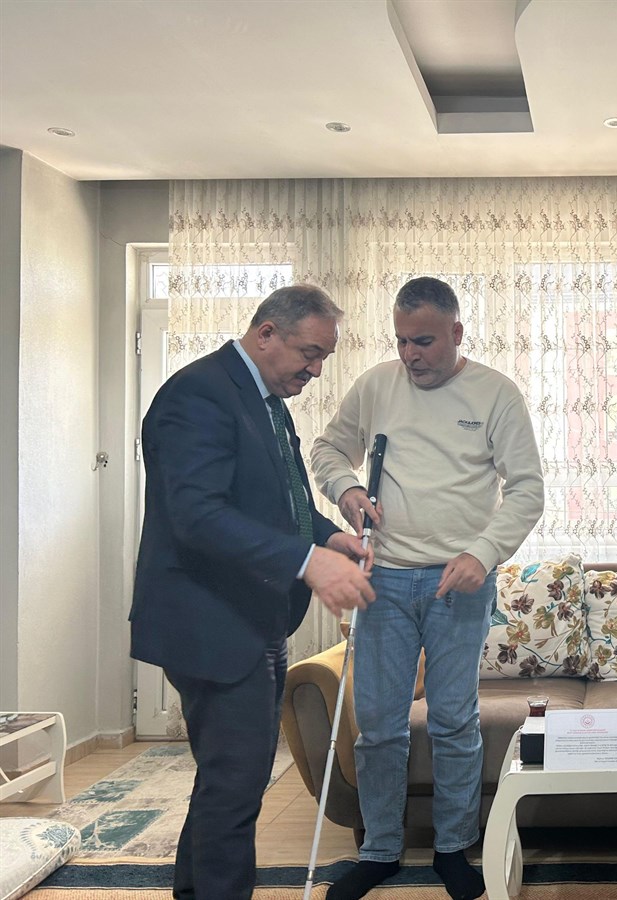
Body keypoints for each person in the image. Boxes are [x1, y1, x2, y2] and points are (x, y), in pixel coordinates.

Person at [130, 284, 377, 900]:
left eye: (323, 359)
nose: (315, 371)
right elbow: (197, 516)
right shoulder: (197, 395)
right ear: (266, 333)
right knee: (236, 784)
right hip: (210, 624)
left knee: (228, 781)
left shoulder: (267, 400)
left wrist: (329, 537)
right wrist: (308, 561)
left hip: (255, 620)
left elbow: (282, 501)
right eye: (310, 354)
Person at [312, 276, 544, 900]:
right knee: (379, 728)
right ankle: (380, 850)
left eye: (423, 341)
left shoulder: (496, 393)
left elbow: (527, 489)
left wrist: (482, 554)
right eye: (401, 341)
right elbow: (328, 450)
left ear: (456, 333)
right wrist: (346, 489)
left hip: (458, 585)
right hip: (383, 580)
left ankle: (452, 848)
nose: (410, 354)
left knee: (453, 723)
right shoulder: (377, 386)